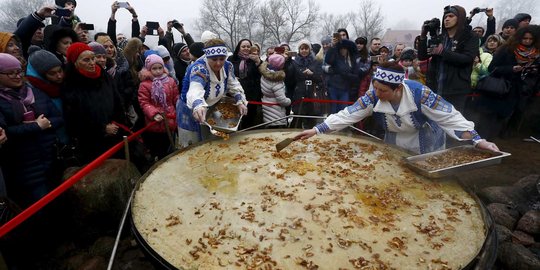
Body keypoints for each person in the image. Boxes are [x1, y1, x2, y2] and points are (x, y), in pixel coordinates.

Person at [294, 62, 499, 154]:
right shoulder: (374, 95)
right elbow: (349, 114)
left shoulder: (421, 94)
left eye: (383, 90)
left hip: (425, 142)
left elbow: (449, 117)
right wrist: (317, 130)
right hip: (394, 142)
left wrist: (477, 139)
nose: (377, 93)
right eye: (375, 88)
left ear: (398, 87)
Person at [0, 53, 63, 207]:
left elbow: (58, 118)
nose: (17, 76)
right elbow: (5, 132)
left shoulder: (35, 92)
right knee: (36, 209)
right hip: (22, 167)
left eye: (19, 71)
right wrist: (35, 126)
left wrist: (45, 123)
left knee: (59, 203)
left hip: (49, 158)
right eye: (10, 73)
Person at [176, 38, 248, 148]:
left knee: (213, 143)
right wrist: (198, 105)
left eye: (222, 58)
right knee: (194, 147)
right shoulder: (199, 68)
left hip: (211, 108)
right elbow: (195, 89)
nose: (218, 63)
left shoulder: (227, 66)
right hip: (191, 109)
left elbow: (233, 84)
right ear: (207, 57)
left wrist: (240, 100)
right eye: (214, 59)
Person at [61, 42, 125, 164]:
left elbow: (117, 100)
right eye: (86, 60)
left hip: (115, 133)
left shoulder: (104, 76)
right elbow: (74, 118)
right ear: (75, 63)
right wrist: (102, 129)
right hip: (91, 142)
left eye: (92, 58)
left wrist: (118, 122)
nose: (92, 63)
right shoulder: (71, 84)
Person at [418, 5, 478, 113]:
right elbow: (422, 56)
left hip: (456, 90)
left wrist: (443, 52)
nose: (447, 19)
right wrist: (423, 36)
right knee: (434, 121)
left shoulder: (469, 37)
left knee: (452, 123)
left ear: (460, 18)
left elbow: (467, 59)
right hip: (435, 87)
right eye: (445, 17)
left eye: (451, 16)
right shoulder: (440, 38)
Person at [138, 54, 178, 159]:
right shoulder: (145, 84)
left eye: (160, 68)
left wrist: (180, 106)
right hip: (155, 122)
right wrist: (154, 113)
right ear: (148, 69)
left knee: (170, 145)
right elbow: (144, 102)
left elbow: (175, 97)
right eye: (154, 68)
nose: (158, 71)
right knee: (158, 148)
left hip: (170, 119)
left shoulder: (170, 81)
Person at [228, 39, 262, 129]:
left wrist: (258, 61)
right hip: (235, 94)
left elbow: (261, 75)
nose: (246, 48)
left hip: (251, 95)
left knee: (249, 122)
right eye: (243, 46)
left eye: (248, 46)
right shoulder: (231, 59)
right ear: (239, 48)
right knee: (235, 121)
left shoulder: (254, 59)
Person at [258, 53, 290, 128]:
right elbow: (281, 100)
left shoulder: (264, 75)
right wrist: (288, 101)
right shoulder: (276, 81)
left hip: (267, 106)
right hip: (277, 115)